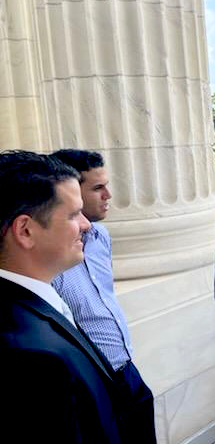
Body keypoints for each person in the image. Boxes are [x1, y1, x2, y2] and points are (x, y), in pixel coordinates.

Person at [0, 150, 121, 442]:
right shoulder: (28, 354)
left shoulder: (34, 309)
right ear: (25, 230)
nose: (86, 225)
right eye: (72, 214)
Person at [50, 149, 156, 443]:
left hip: (127, 371)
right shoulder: (53, 258)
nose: (108, 194)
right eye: (97, 188)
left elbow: (104, 299)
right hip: (92, 386)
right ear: (72, 192)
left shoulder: (102, 238)